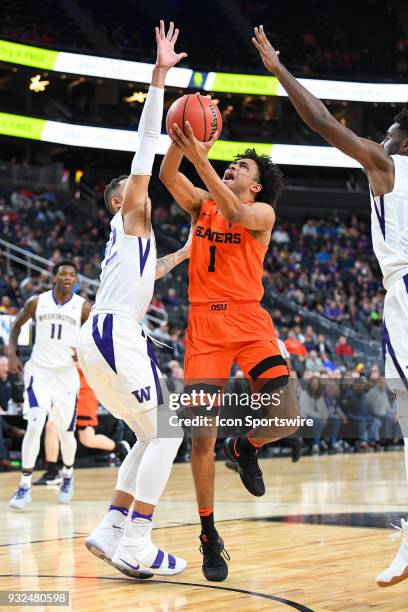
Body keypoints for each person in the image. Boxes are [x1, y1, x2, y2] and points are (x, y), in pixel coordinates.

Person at [252, 24, 408, 587]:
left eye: (390, 132)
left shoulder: (391, 166)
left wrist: (279, 70)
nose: (382, 139)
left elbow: (322, 122)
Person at [160, 100, 299, 580]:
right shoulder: (201, 203)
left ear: (255, 183)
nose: (232, 165)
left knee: (285, 416)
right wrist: (183, 143)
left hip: (248, 320)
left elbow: (237, 210)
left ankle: (246, 447)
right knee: (200, 436)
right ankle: (208, 535)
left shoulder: (261, 211)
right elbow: (167, 177)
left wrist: (201, 156)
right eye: (230, 161)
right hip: (205, 327)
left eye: (241, 165)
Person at [78, 21, 189, 579]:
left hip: (108, 332)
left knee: (152, 432)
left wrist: (184, 254)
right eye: (129, 183)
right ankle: (137, 541)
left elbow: (149, 275)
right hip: (114, 332)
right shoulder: (132, 211)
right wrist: (159, 77)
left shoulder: (135, 240)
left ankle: (111, 528)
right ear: (120, 200)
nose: (135, 183)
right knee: (167, 432)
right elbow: (146, 146)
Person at [8, 261, 91, 508]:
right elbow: (16, 326)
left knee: (66, 432)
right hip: (39, 372)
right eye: (63, 274)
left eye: (72, 275)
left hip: (66, 376)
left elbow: (96, 336)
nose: (67, 278)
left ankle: (67, 474)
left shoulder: (83, 307)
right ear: (54, 277)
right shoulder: (37, 301)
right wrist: (11, 353)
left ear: (75, 280)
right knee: (35, 425)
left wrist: (84, 353)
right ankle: (24, 486)